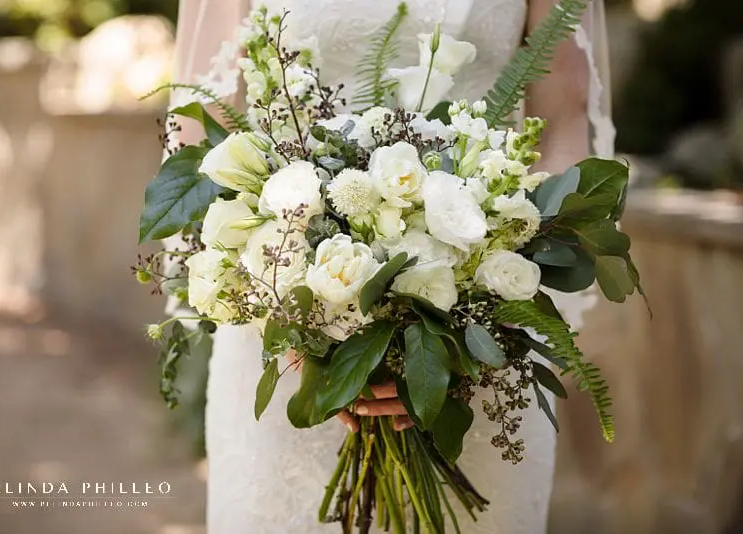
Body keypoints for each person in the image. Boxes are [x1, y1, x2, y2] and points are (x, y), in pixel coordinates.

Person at [172, 1, 613, 532]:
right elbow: (203, 128)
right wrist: (298, 321)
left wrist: (487, 307)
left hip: (484, 344)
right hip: (283, 313)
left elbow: (564, 117)